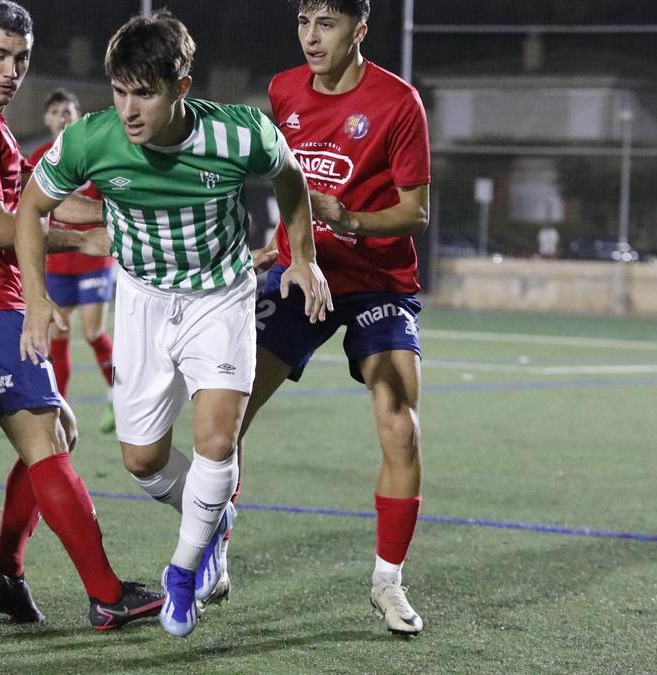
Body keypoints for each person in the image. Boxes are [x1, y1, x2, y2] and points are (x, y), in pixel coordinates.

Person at [15, 10, 331, 638]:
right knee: (141, 459)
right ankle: (213, 520)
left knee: (217, 441)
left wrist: (306, 258)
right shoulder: (89, 141)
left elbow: (291, 177)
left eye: (146, 93)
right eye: (120, 91)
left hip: (221, 297)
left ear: (181, 87)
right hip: (142, 301)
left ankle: (184, 570)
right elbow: (30, 205)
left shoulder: (240, 135)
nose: (129, 110)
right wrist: (34, 296)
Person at [0, 0, 162, 630]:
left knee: (60, 433)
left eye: (20, 59)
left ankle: (5, 570)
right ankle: (106, 595)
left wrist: (117, 219)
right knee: (48, 439)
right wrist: (80, 243)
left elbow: (41, 201)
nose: (11, 70)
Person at [241, 0, 432, 636]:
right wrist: (283, 243)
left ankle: (388, 583)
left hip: (377, 282)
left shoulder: (399, 104)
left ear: (360, 29)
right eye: (303, 21)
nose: (311, 37)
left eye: (327, 23)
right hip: (301, 274)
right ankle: (209, 551)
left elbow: (414, 213)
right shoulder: (283, 90)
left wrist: (346, 218)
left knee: (399, 425)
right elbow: (284, 180)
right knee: (227, 413)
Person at [26, 89, 117, 434]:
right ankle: (58, 409)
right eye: (55, 111)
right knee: (58, 336)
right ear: (47, 119)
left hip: (93, 258)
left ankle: (118, 396)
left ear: (78, 116)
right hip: (59, 262)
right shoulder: (37, 158)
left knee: (93, 331)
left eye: (69, 109)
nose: (63, 115)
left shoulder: (95, 155)